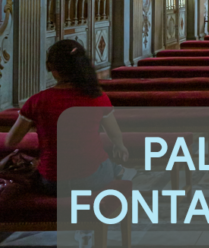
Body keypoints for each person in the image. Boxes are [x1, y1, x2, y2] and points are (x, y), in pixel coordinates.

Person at [2, 40, 131, 196]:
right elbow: (115, 134)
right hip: (90, 179)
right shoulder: (97, 97)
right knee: (113, 165)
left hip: (51, 183)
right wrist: (120, 146)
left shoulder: (37, 101)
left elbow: (11, 141)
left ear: (51, 68)